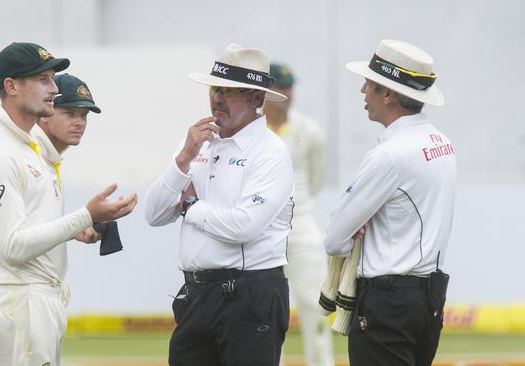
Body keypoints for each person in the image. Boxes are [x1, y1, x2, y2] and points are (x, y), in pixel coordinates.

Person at [0, 42, 137, 366]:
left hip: (31, 300)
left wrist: (74, 228)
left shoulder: (23, 146)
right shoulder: (0, 150)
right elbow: (13, 246)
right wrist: (86, 215)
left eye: (53, 79)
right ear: (11, 86)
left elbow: (24, 227)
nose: (54, 89)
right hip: (18, 301)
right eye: (43, 79)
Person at [145, 43, 294, 366]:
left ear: (256, 98)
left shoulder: (271, 152)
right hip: (197, 294)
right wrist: (183, 157)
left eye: (229, 91)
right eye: (214, 88)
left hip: (250, 293)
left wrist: (190, 208)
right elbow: (154, 213)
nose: (217, 98)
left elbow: (244, 226)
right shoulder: (197, 142)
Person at [324, 39, 455, 366]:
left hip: (389, 302)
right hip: (427, 297)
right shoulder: (441, 143)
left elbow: (334, 238)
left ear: (388, 94)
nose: (362, 90)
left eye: (370, 83)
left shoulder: (389, 155)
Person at [263, 63, 334, 366]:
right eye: (280, 86)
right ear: (265, 91)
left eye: (290, 86)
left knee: (314, 307)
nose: (287, 93)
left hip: (301, 227)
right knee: (264, 313)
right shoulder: (251, 131)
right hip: (261, 233)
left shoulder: (310, 131)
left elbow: (316, 181)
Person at [34, 72, 103, 244]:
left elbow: (35, 226)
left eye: (84, 115)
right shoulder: (31, 160)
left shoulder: (48, 159)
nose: (80, 122)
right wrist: (86, 216)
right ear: (44, 114)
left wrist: (73, 230)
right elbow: (16, 241)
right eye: (70, 113)